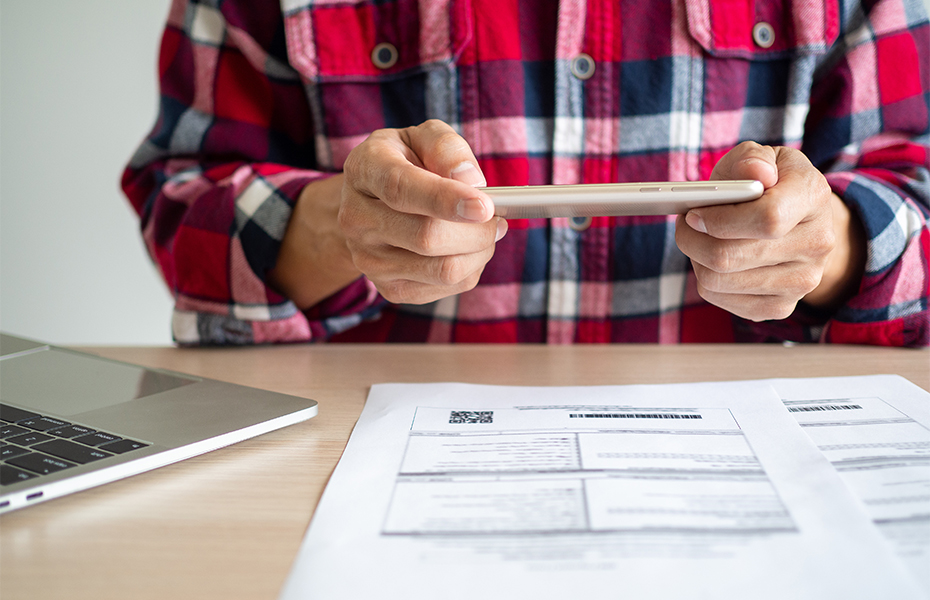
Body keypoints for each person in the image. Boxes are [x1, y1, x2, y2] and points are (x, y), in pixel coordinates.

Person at [122, 0, 929, 346]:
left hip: (752, 468)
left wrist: (832, 245)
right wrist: (342, 223)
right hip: (374, 460)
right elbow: (180, 201)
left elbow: (916, 191)